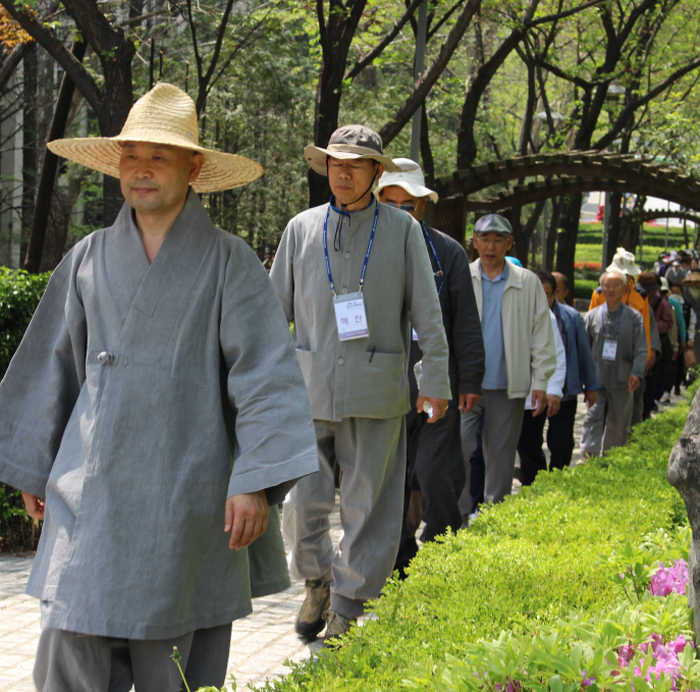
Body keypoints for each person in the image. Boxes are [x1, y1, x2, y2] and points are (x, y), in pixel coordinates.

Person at [0, 83, 320, 691]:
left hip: (187, 498)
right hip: (89, 495)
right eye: (131, 156)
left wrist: (255, 482)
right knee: (68, 643)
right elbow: (54, 366)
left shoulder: (229, 263)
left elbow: (265, 379)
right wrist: (32, 465)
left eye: (160, 156)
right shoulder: (89, 258)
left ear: (194, 168)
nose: (140, 170)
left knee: (173, 667)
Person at [270, 126, 451, 642]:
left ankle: (348, 608)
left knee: (368, 507)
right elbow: (268, 315)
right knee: (301, 503)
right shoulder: (301, 228)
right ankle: (316, 579)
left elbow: (427, 315)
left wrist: (433, 378)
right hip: (308, 388)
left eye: (355, 164)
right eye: (335, 163)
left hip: (378, 389)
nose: (343, 172)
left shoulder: (401, 230)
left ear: (377, 172)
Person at [373, 158, 484, 575]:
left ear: (422, 206)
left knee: (436, 474)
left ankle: (438, 550)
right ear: (378, 199)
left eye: (410, 204)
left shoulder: (449, 252)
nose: (401, 211)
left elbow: (466, 324)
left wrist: (469, 379)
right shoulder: (365, 248)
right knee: (391, 479)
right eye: (391, 201)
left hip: (435, 383)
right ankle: (400, 555)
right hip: (384, 386)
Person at [458, 214, 556, 518]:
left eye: (498, 239)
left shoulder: (526, 281)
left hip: (508, 384)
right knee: (459, 450)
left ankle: (492, 520)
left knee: (500, 457)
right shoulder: (461, 274)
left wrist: (541, 380)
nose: (490, 246)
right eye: (484, 239)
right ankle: (458, 518)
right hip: (466, 384)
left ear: (509, 243)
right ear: (474, 241)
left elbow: (541, 331)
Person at [580, 270, 647, 457]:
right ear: (601, 288)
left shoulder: (634, 318)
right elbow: (584, 349)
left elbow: (641, 348)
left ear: (625, 288)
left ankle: (612, 458)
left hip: (623, 378)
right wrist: (583, 377)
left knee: (619, 421)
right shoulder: (592, 316)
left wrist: (637, 372)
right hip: (596, 377)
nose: (610, 289)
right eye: (607, 285)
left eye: (615, 285)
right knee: (593, 416)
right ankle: (589, 455)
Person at [516, 271, 567, 486]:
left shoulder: (548, 317)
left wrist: (553, 389)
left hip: (533, 397)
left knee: (529, 446)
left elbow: (555, 355)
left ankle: (535, 491)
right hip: (502, 393)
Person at [547, 272, 600, 470]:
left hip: (566, 390)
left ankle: (557, 473)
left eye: (553, 292)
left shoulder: (571, 316)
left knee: (561, 442)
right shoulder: (525, 313)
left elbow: (583, 351)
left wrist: (591, 385)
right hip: (534, 392)